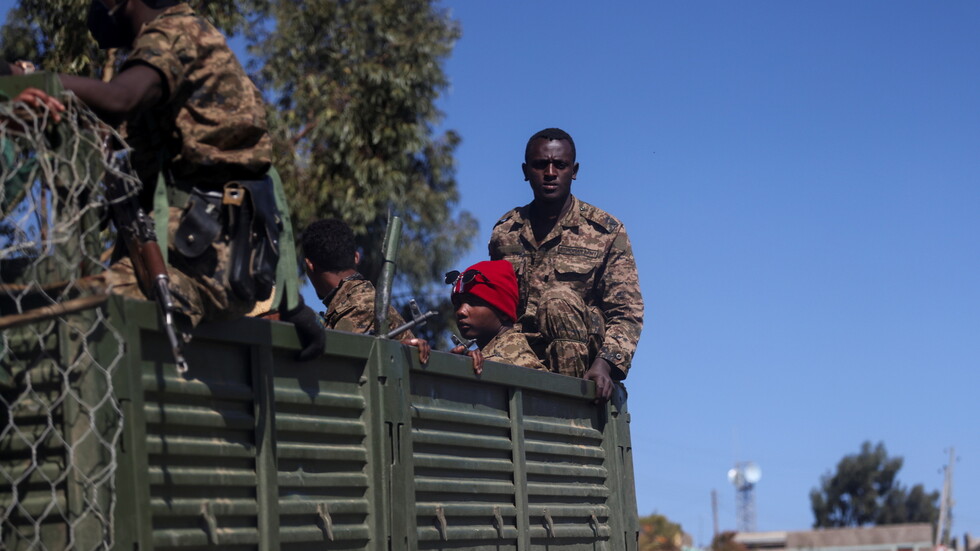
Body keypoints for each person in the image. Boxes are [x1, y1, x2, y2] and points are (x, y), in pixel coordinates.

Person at [54, 0, 324, 359]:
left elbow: (120, 98)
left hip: (194, 258)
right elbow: (254, 177)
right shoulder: (191, 44)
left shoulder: (174, 32)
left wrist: (27, 76)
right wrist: (293, 306)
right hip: (215, 259)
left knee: (65, 321)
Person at [488, 128, 643, 401]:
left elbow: (626, 313)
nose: (550, 172)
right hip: (522, 353)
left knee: (557, 300)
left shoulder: (606, 231)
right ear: (525, 171)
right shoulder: (505, 231)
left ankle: (569, 404)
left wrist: (605, 364)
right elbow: (496, 308)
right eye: (540, 165)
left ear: (574, 170)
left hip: (583, 358)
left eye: (560, 165)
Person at [302, 218, 430, 363]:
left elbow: (336, 368)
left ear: (310, 265)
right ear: (356, 257)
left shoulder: (358, 309)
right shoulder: (363, 301)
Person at [447, 260, 546, 373]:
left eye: (473, 302)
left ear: (503, 312)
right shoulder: (487, 358)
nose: (461, 311)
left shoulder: (511, 363)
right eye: (457, 304)